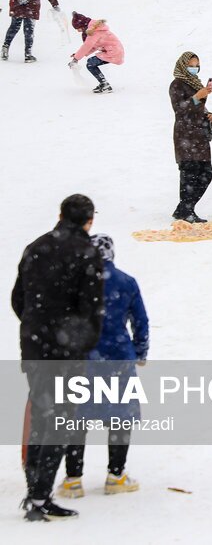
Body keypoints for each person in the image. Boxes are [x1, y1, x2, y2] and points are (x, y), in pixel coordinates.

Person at [11, 194, 104, 521]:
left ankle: (34, 492)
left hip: (35, 347)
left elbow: (17, 298)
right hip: (66, 352)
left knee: (40, 417)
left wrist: (35, 327)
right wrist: (79, 344)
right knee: (60, 422)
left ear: (60, 214)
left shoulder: (35, 247)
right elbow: (91, 309)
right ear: (89, 220)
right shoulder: (87, 253)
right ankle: (39, 497)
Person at [58, 234, 148, 499]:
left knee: (76, 419)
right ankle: (116, 475)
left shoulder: (75, 284)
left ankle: (73, 479)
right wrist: (140, 352)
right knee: (120, 418)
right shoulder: (126, 282)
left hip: (82, 359)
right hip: (118, 358)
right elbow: (140, 321)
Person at [170, 52, 212, 223]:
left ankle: (184, 209)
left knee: (206, 173)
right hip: (185, 136)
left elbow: (199, 109)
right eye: (191, 65)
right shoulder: (176, 85)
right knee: (189, 174)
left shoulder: (195, 84)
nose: (194, 68)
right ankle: (186, 211)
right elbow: (180, 110)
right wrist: (197, 97)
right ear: (183, 65)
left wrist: (208, 115)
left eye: (197, 65)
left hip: (199, 136)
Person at [68, 13, 125, 94]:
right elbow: (93, 47)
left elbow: (87, 46)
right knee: (91, 63)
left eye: (78, 28)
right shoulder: (95, 29)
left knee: (90, 64)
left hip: (113, 52)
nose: (78, 31)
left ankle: (105, 85)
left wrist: (76, 59)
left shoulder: (94, 32)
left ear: (82, 25)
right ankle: (104, 84)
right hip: (115, 51)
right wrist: (77, 54)